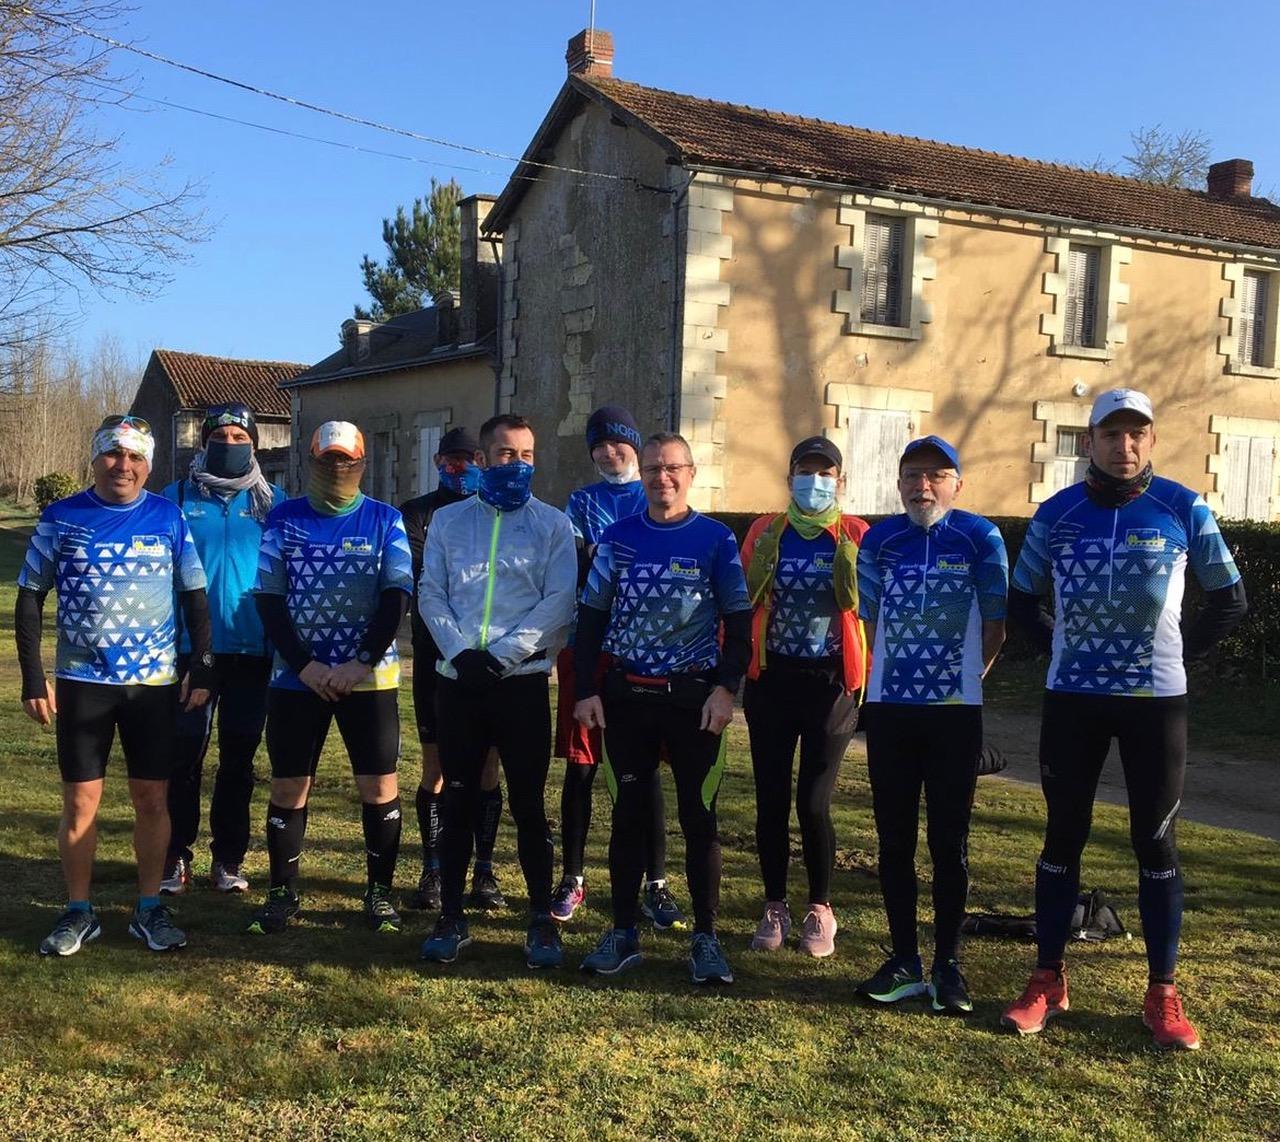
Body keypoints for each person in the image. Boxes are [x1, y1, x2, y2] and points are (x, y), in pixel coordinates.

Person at [1001, 389, 1247, 1050]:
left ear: (1152, 441)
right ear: (1090, 442)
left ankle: (1162, 992)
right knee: (1063, 836)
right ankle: (1047, 977)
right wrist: (1059, 643)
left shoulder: (1183, 506)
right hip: (1073, 699)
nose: (1125, 446)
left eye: (1137, 434)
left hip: (1155, 703)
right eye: (1111, 434)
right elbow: (1021, 598)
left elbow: (1230, 599)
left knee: (1155, 841)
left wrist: (1176, 653)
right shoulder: (1058, 512)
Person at [16, 415, 212, 956]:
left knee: (152, 799)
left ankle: (150, 906)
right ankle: (79, 910)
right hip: (83, 682)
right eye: (112, 454)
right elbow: (30, 597)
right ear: (96, 458)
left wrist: (204, 664)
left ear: (148, 465)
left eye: (134, 457)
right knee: (81, 803)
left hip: (152, 685)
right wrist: (34, 676)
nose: (122, 466)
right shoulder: (62, 516)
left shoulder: (169, 517)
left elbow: (196, 597)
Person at [574, 432, 752, 985]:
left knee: (700, 819)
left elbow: (741, 625)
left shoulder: (716, 539)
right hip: (627, 697)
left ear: (691, 473)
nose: (662, 478)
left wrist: (727, 690)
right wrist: (586, 690)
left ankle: (705, 937)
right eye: (652, 469)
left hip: (694, 699)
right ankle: (623, 931)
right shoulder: (617, 538)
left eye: (673, 468)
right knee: (628, 815)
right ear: (642, 474)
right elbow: (591, 622)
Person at [854, 435, 1008, 1014]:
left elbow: (997, 625)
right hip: (891, 711)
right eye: (913, 475)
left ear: (957, 484)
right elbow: (865, 622)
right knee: (894, 840)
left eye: (937, 476)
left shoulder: (979, 537)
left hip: (954, 715)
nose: (924, 486)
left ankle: (948, 964)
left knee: (950, 841)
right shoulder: (881, 540)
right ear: (898, 484)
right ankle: (902, 960)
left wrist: (964, 681)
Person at [418, 413, 577, 968]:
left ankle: (540, 922)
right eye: (506, 454)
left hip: (522, 686)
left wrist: (502, 656)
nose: (518, 464)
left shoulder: (553, 526)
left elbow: (559, 604)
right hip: (458, 683)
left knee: (531, 807)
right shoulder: (447, 522)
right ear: (482, 460)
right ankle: (452, 917)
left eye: (527, 455)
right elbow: (430, 593)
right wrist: (461, 654)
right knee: (458, 798)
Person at [246, 421, 412, 936]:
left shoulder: (387, 520)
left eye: (347, 461)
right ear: (310, 462)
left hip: (370, 678)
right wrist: (306, 665)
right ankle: (281, 894)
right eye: (327, 461)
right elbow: (269, 600)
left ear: (362, 463)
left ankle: (379, 894)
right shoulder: (283, 518)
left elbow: (395, 598)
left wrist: (360, 662)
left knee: (378, 786)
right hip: (299, 679)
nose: (337, 469)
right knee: (289, 785)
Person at [552, 405, 685, 930]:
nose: (610, 454)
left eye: (618, 445)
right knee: (581, 768)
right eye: (599, 447)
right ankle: (573, 877)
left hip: (645, 652)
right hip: (589, 645)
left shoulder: (656, 494)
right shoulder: (582, 502)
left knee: (644, 772)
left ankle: (656, 882)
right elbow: (581, 566)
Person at [740, 436, 869, 958]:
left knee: (813, 802)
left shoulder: (856, 534)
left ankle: (820, 908)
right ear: (789, 476)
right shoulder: (765, 531)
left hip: (831, 684)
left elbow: (874, 607)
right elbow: (738, 596)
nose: (814, 482)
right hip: (771, 679)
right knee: (770, 800)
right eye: (805, 471)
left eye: (825, 473)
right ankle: (774, 905)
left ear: (840, 480)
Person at [159, 402, 285, 895]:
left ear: (254, 444)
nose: (230, 444)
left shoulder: (274, 501)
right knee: (184, 754)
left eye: (240, 437)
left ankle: (228, 858)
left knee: (239, 758)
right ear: (205, 441)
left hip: (253, 650)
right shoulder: (175, 499)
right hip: (193, 651)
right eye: (222, 435)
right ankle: (175, 855)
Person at [399, 427, 507, 914]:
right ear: (438, 460)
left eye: (470, 459)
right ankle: (435, 869)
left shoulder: (496, 513)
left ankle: (484, 869)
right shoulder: (416, 512)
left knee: (487, 766)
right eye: (452, 460)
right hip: (434, 657)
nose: (461, 468)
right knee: (436, 768)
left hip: (489, 660)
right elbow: (426, 578)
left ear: (483, 461)